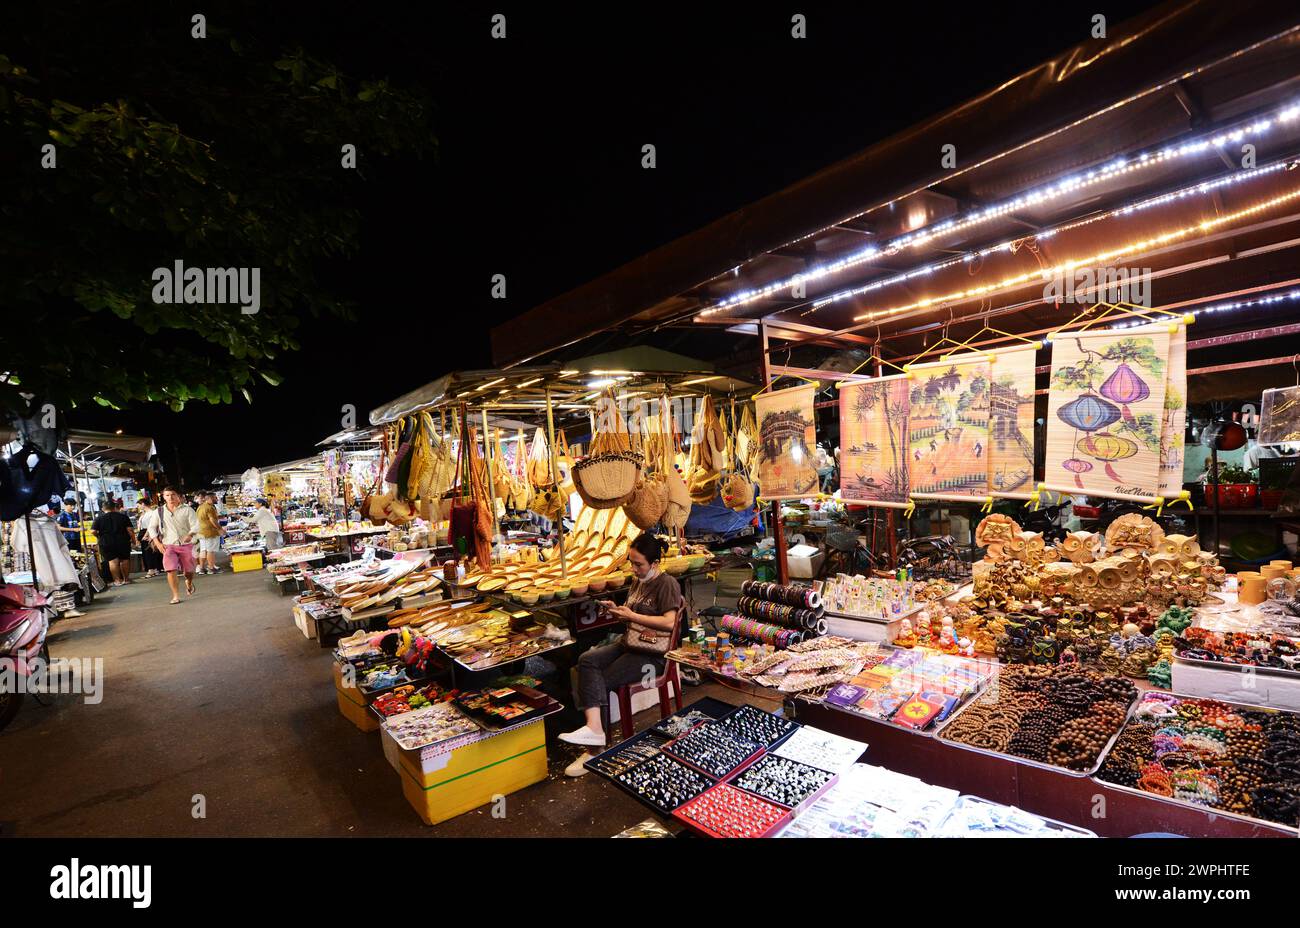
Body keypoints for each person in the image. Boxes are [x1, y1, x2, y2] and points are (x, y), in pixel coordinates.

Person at [559, 534, 684, 777]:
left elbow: (669, 623)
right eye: (632, 562)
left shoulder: (666, 584)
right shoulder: (638, 581)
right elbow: (632, 616)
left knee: (601, 680)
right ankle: (594, 729)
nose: (634, 569)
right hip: (631, 642)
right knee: (586, 660)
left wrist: (632, 617)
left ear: (655, 563)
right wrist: (617, 611)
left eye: (639, 564)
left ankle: (594, 749)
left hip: (653, 654)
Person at [154, 486, 199, 605]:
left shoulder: (187, 510)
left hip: (187, 545)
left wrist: (190, 534)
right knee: (170, 570)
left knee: (188, 571)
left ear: (178, 496)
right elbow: (152, 528)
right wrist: (157, 543)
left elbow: (196, 525)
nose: (170, 497)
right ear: (163, 497)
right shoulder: (159, 511)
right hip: (168, 545)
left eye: (173, 494)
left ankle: (189, 581)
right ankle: (175, 596)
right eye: (167, 495)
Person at [91, 499, 136, 587]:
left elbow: (93, 531)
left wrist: (99, 536)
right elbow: (130, 530)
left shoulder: (99, 518)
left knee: (113, 561)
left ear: (103, 509)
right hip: (122, 541)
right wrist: (134, 540)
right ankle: (126, 579)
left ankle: (117, 581)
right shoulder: (123, 517)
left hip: (106, 542)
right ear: (114, 508)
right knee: (124, 559)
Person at [195, 492, 224, 574]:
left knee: (203, 550)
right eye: (215, 498)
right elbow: (212, 520)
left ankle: (201, 568)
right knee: (210, 551)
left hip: (202, 532)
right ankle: (211, 568)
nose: (217, 499)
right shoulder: (209, 507)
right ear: (210, 499)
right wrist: (220, 529)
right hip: (210, 532)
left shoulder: (200, 507)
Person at [137, 498, 163, 577]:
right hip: (144, 532)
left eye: (138, 505)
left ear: (143, 504)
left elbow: (152, 525)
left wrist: (147, 535)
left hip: (148, 532)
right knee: (148, 552)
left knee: (149, 551)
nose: (138, 507)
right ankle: (154, 568)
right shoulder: (144, 513)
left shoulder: (152, 513)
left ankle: (151, 569)